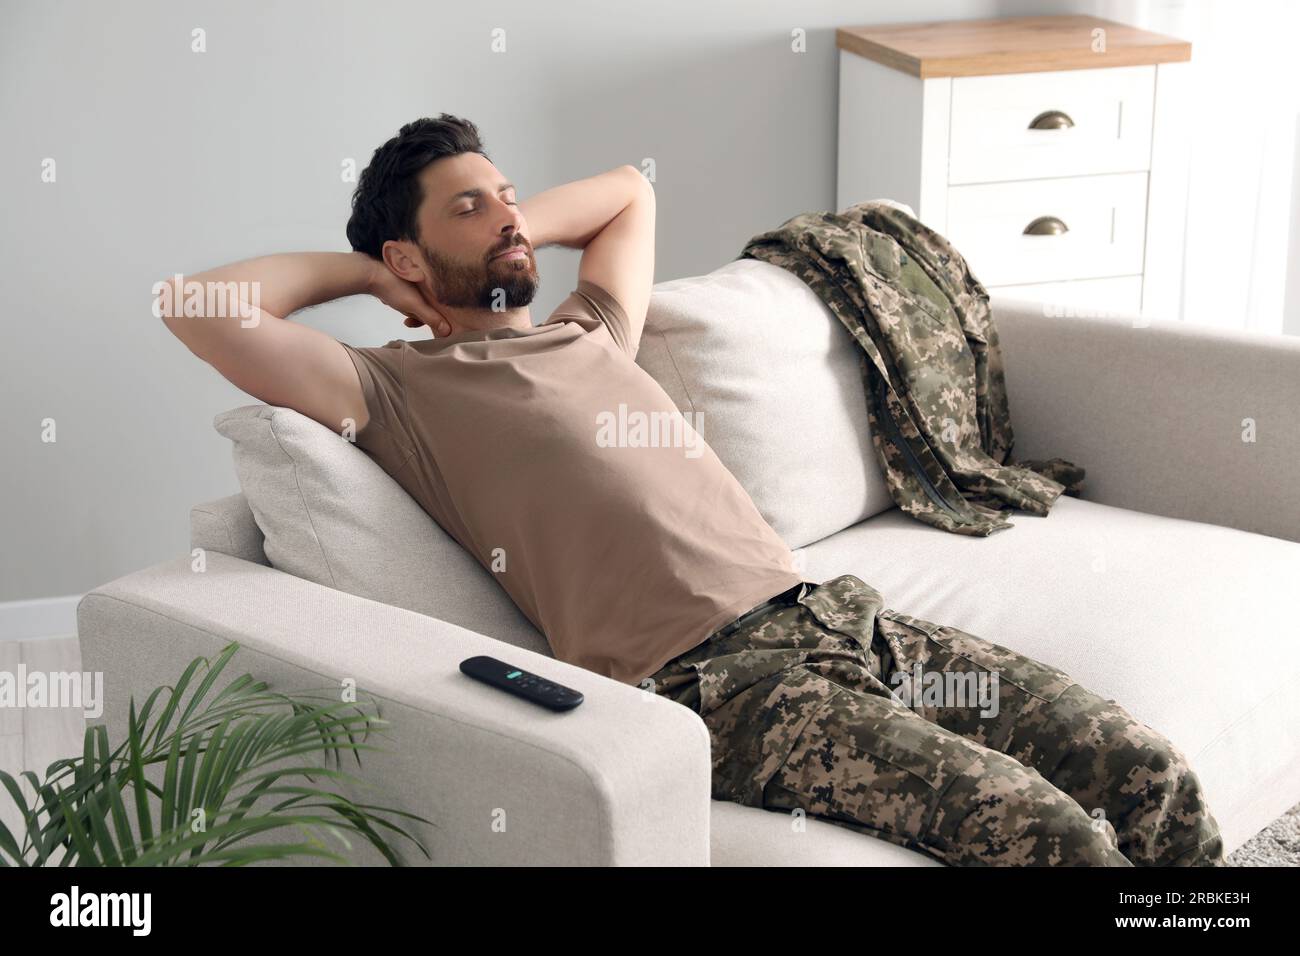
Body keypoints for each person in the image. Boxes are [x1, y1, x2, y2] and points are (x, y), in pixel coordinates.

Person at [156, 114, 1226, 866]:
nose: (511, 220)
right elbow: (195, 304)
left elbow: (629, 190)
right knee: (1049, 836)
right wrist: (370, 273)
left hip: (839, 616)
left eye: (512, 198)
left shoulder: (589, 332)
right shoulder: (395, 390)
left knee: (1141, 768)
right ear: (407, 251)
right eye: (471, 207)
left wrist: (493, 218)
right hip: (727, 689)